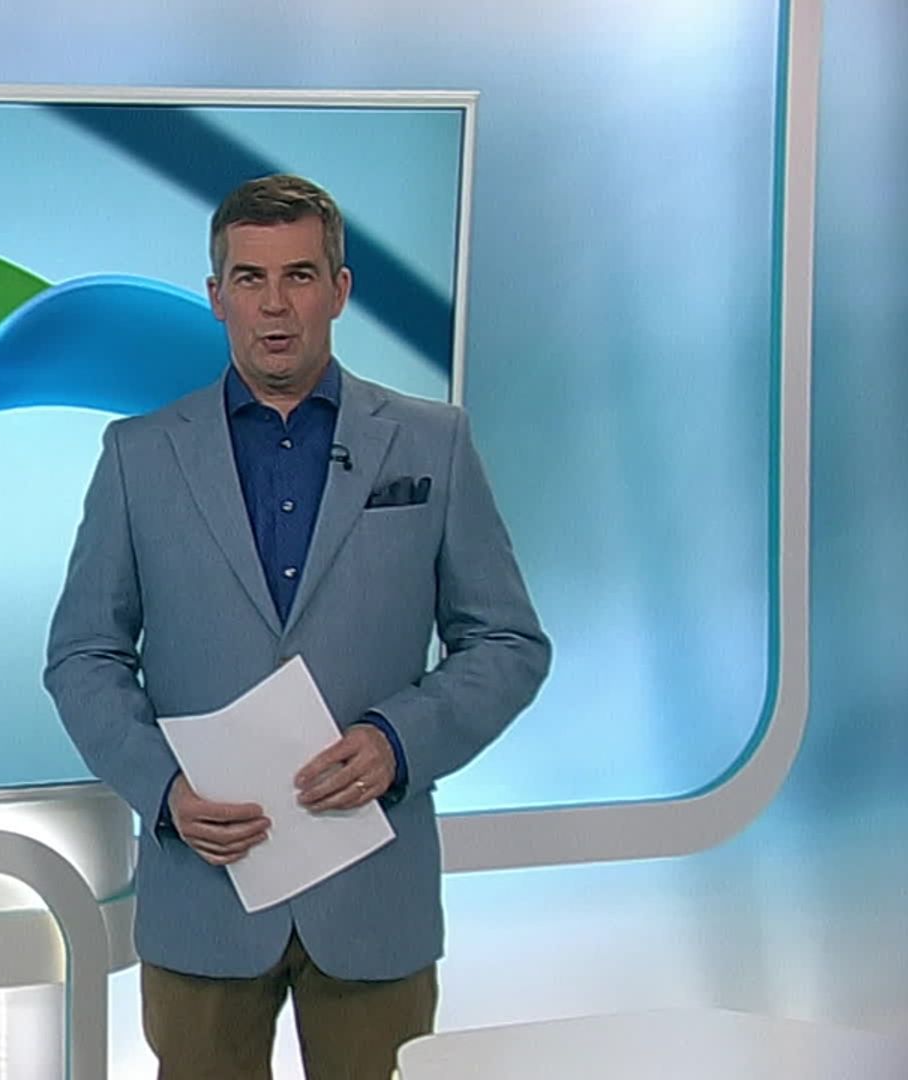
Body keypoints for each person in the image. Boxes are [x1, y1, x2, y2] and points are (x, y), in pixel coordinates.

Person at [43, 173, 551, 1080]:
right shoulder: (138, 455)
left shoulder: (431, 443)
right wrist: (164, 791)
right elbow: (84, 655)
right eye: (250, 278)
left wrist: (399, 741)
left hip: (372, 897)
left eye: (300, 276)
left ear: (339, 290)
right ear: (217, 296)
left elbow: (507, 642)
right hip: (205, 894)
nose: (274, 306)